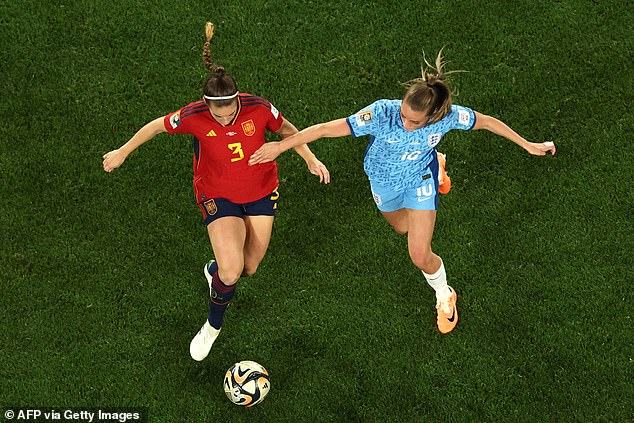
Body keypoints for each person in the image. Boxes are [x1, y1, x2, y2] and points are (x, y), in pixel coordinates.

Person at [249, 51, 556, 334]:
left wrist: (529, 145)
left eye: (415, 121)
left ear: (434, 115)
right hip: (383, 183)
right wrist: (280, 145)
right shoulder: (383, 113)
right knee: (401, 227)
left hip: (419, 180)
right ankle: (440, 160)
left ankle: (444, 293)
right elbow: (327, 128)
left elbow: (487, 122)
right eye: (405, 114)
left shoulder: (449, 116)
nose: (406, 123)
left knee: (419, 253)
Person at [102, 22, 330, 360]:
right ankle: (212, 326)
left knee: (248, 268)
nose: (223, 120)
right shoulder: (194, 115)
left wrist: (308, 157)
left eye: (228, 113)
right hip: (216, 196)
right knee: (232, 270)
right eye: (216, 114)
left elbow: (287, 129)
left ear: (237, 100)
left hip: (261, 192)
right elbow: (156, 126)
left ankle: (214, 273)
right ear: (207, 105)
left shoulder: (258, 108)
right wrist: (123, 151)